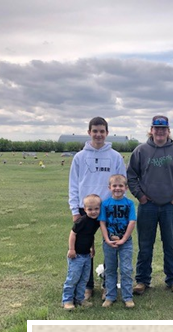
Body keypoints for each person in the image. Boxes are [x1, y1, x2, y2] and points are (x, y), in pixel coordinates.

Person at [127, 115, 173, 295]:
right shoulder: (140, 151)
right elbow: (131, 176)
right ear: (151, 130)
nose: (160, 132)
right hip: (148, 206)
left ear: (168, 131)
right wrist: (140, 196)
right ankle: (142, 280)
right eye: (156, 128)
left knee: (171, 244)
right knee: (145, 244)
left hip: (170, 206)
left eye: (163, 129)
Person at [68, 116, 127, 300]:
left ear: (107, 133)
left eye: (102, 131)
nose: (98, 134)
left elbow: (122, 183)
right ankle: (87, 286)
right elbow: (73, 184)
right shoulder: (79, 157)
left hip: (108, 209)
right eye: (95, 131)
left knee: (110, 247)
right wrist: (75, 210)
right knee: (84, 248)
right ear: (89, 132)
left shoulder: (115, 156)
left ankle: (107, 285)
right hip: (86, 210)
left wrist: (118, 208)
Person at [99, 174, 137, 308]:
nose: (117, 188)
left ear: (126, 188)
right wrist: (107, 239)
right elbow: (102, 222)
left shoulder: (129, 203)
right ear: (109, 187)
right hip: (109, 243)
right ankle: (110, 296)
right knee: (110, 269)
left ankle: (127, 297)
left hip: (125, 242)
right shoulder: (105, 204)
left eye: (121, 186)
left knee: (126, 269)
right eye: (114, 186)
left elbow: (132, 221)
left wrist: (124, 239)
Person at [61, 194, 102, 310]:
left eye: (96, 209)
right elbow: (73, 234)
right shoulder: (82, 220)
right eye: (90, 209)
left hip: (87, 255)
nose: (93, 212)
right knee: (73, 278)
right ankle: (67, 300)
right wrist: (72, 249)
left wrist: (92, 248)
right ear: (84, 209)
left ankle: (79, 299)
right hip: (76, 255)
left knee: (84, 278)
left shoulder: (96, 222)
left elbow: (91, 236)